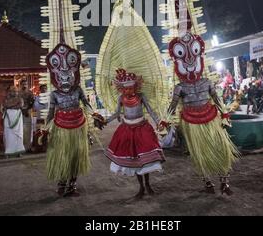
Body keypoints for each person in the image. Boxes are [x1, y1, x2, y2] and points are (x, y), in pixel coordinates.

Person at [168, 32, 239, 195]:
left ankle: (225, 183)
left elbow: (217, 99)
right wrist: (165, 120)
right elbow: (172, 105)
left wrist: (225, 114)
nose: (189, 61)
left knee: (222, 149)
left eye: (192, 55)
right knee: (200, 154)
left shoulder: (207, 82)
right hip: (192, 124)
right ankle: (208, 184)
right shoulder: (179, 87)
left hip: (211, 118)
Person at [45, 43, 104, 197]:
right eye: (62, 77)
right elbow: (51, 112)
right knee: (63, 156)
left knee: (77, 156)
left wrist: (95, 115)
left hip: (79, 126)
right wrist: (45, 129)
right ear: (56, 77)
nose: (65, 79)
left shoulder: (78, 90)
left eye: (68, 76)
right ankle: (61, 184)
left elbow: (86, 104)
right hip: (61, 128)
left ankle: (72, 186)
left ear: (73, 76)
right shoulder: (54, 94)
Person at [104, 69, 165, 199]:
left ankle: (148, 184)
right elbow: (116, 114)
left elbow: (150, 110)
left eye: (131, 88)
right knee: (135, 161)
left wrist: (159, 122)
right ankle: (141, 187)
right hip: (127, 130)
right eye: (125, 89)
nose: (129, 91)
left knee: (145, 160)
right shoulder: (121, 98)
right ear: (121, 89)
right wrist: (105, 121)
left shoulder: (141, 96)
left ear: (136, 87)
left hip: (142, 129)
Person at [3, 87, 25, 157]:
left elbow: (20, 105)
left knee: (18, 134)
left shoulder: (20, 99)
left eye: (16, 91)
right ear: (10, 92)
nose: (15, 93)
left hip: (17, 116)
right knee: (8, 134)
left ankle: (18, 152)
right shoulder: (6, 99)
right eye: (13, 91)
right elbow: (5, 105)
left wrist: (10, 106)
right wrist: (13, 105)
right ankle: (8, 152)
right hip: (8, 117)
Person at [19, 80, 35, 152]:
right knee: (20, 130)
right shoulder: (18, 93)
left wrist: (27, 109)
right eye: (23, 84)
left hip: (28, 112)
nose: (24, 85)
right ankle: (20, 147)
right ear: (20, 85)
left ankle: (27, 147)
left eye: (25, 84)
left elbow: (32, 103)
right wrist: (22, 110)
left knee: (28, 130)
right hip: (19, 113)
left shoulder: (30, 92)